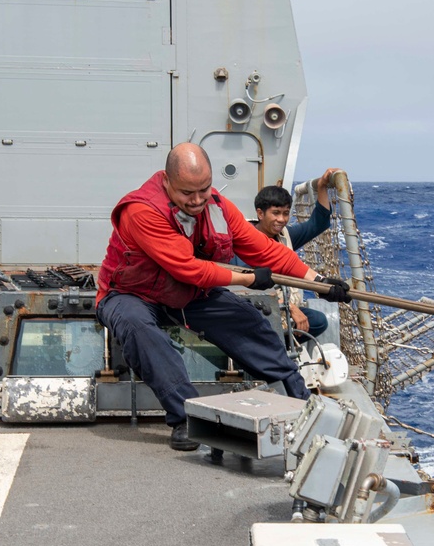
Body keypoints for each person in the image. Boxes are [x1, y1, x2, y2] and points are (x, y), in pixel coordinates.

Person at [95, 143, 351, 451]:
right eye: (187, 193)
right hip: (129, 295)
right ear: (166, 182)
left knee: (248, 321)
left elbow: (264, 249)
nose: (198, 200)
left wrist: (319, 281)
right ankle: (184, 417)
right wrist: (249, 278)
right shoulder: (142, 211)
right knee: (140, 330)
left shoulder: (216, 206)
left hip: (183, 295)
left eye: (203, 189)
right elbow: (189, 269)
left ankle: (299, 397)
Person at [232, 168, 339, 340]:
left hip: (284, 311)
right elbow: (243, 290)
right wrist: (289, 309)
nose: (281, 219)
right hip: (255, 310)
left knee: (318, 321)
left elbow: (318, 223)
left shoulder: (285, 236)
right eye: (275, 213)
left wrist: (321, 187)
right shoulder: (243, 242)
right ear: (260, 213)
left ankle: (283, 344)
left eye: (285, 213)